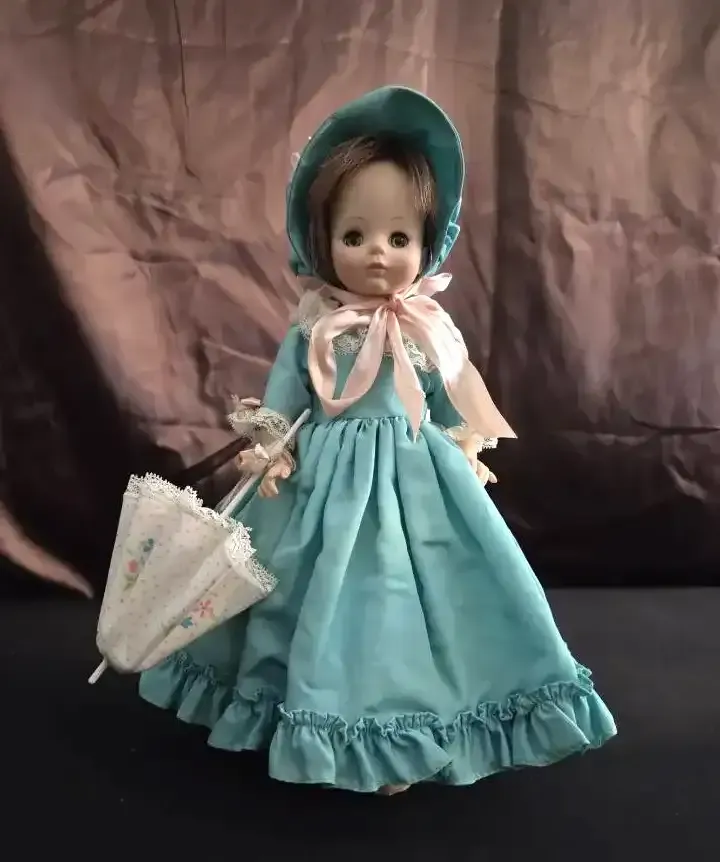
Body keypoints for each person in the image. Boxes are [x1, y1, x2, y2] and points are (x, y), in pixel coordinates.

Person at [139, 86, 616, 795]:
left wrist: (464, 448)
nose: (377, 256)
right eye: (355, 236)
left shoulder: (428, 328)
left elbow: (447, 398)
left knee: (408, 599)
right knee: (312, 598)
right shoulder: (315, 327)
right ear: (321, 240)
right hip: (321, 486)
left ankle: (402, 731)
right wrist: (274, 452)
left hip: (416, 481)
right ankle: (313, 718)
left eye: (399, 239)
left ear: (428, 243)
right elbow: (286, 401)